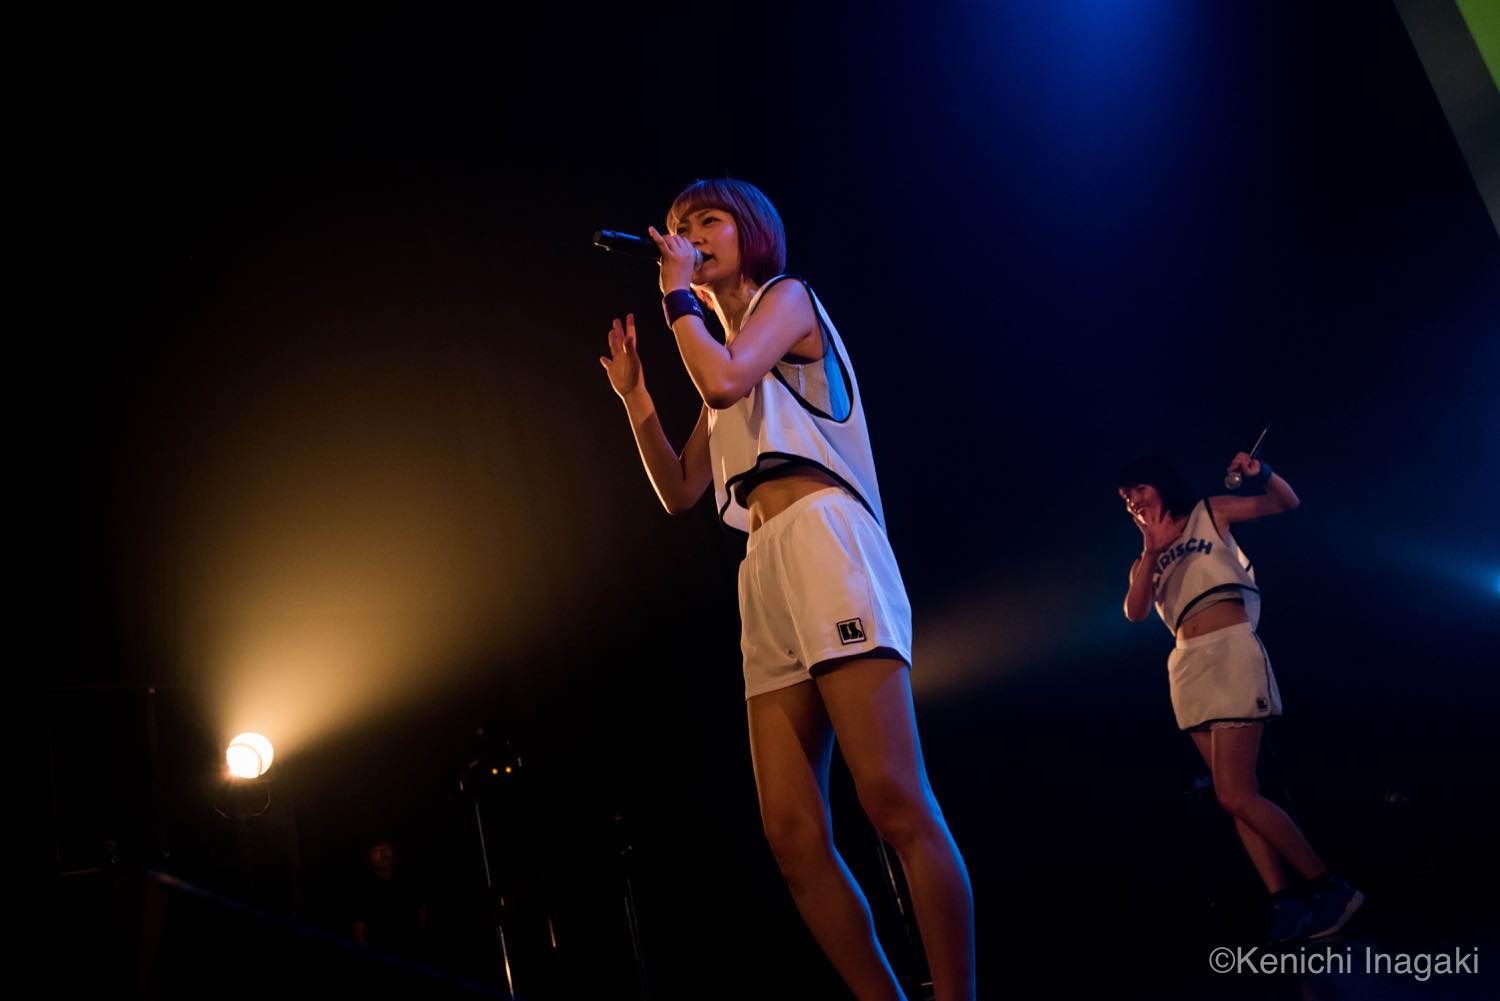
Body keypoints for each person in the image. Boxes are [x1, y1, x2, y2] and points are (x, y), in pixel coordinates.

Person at [600, 178, 974, 1001]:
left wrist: (675, 298)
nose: (689, 234)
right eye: (678, 226)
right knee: (791, 835)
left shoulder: (787, 301)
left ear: (751, 231)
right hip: (763, 563)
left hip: (824, 535)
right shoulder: (725, 351)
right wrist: (635, 397)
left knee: (891, 796)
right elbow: (681, 489)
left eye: (707, 220)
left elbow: (725, 381)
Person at [1117, 454, 1363, 942]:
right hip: (1187, 666)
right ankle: (1283, 902)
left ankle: (1330, 886)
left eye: (1138, 490)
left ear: (1160, 485)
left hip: (1229, 649)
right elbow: (1135, 612)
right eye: (1126, 499)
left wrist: (1262, 473)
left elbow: (1285, 502)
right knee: (1236, 797)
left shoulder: (1209, 512)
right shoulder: (1144, 559)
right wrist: (1150, 551)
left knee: (1234, 793)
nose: (1133, 502)